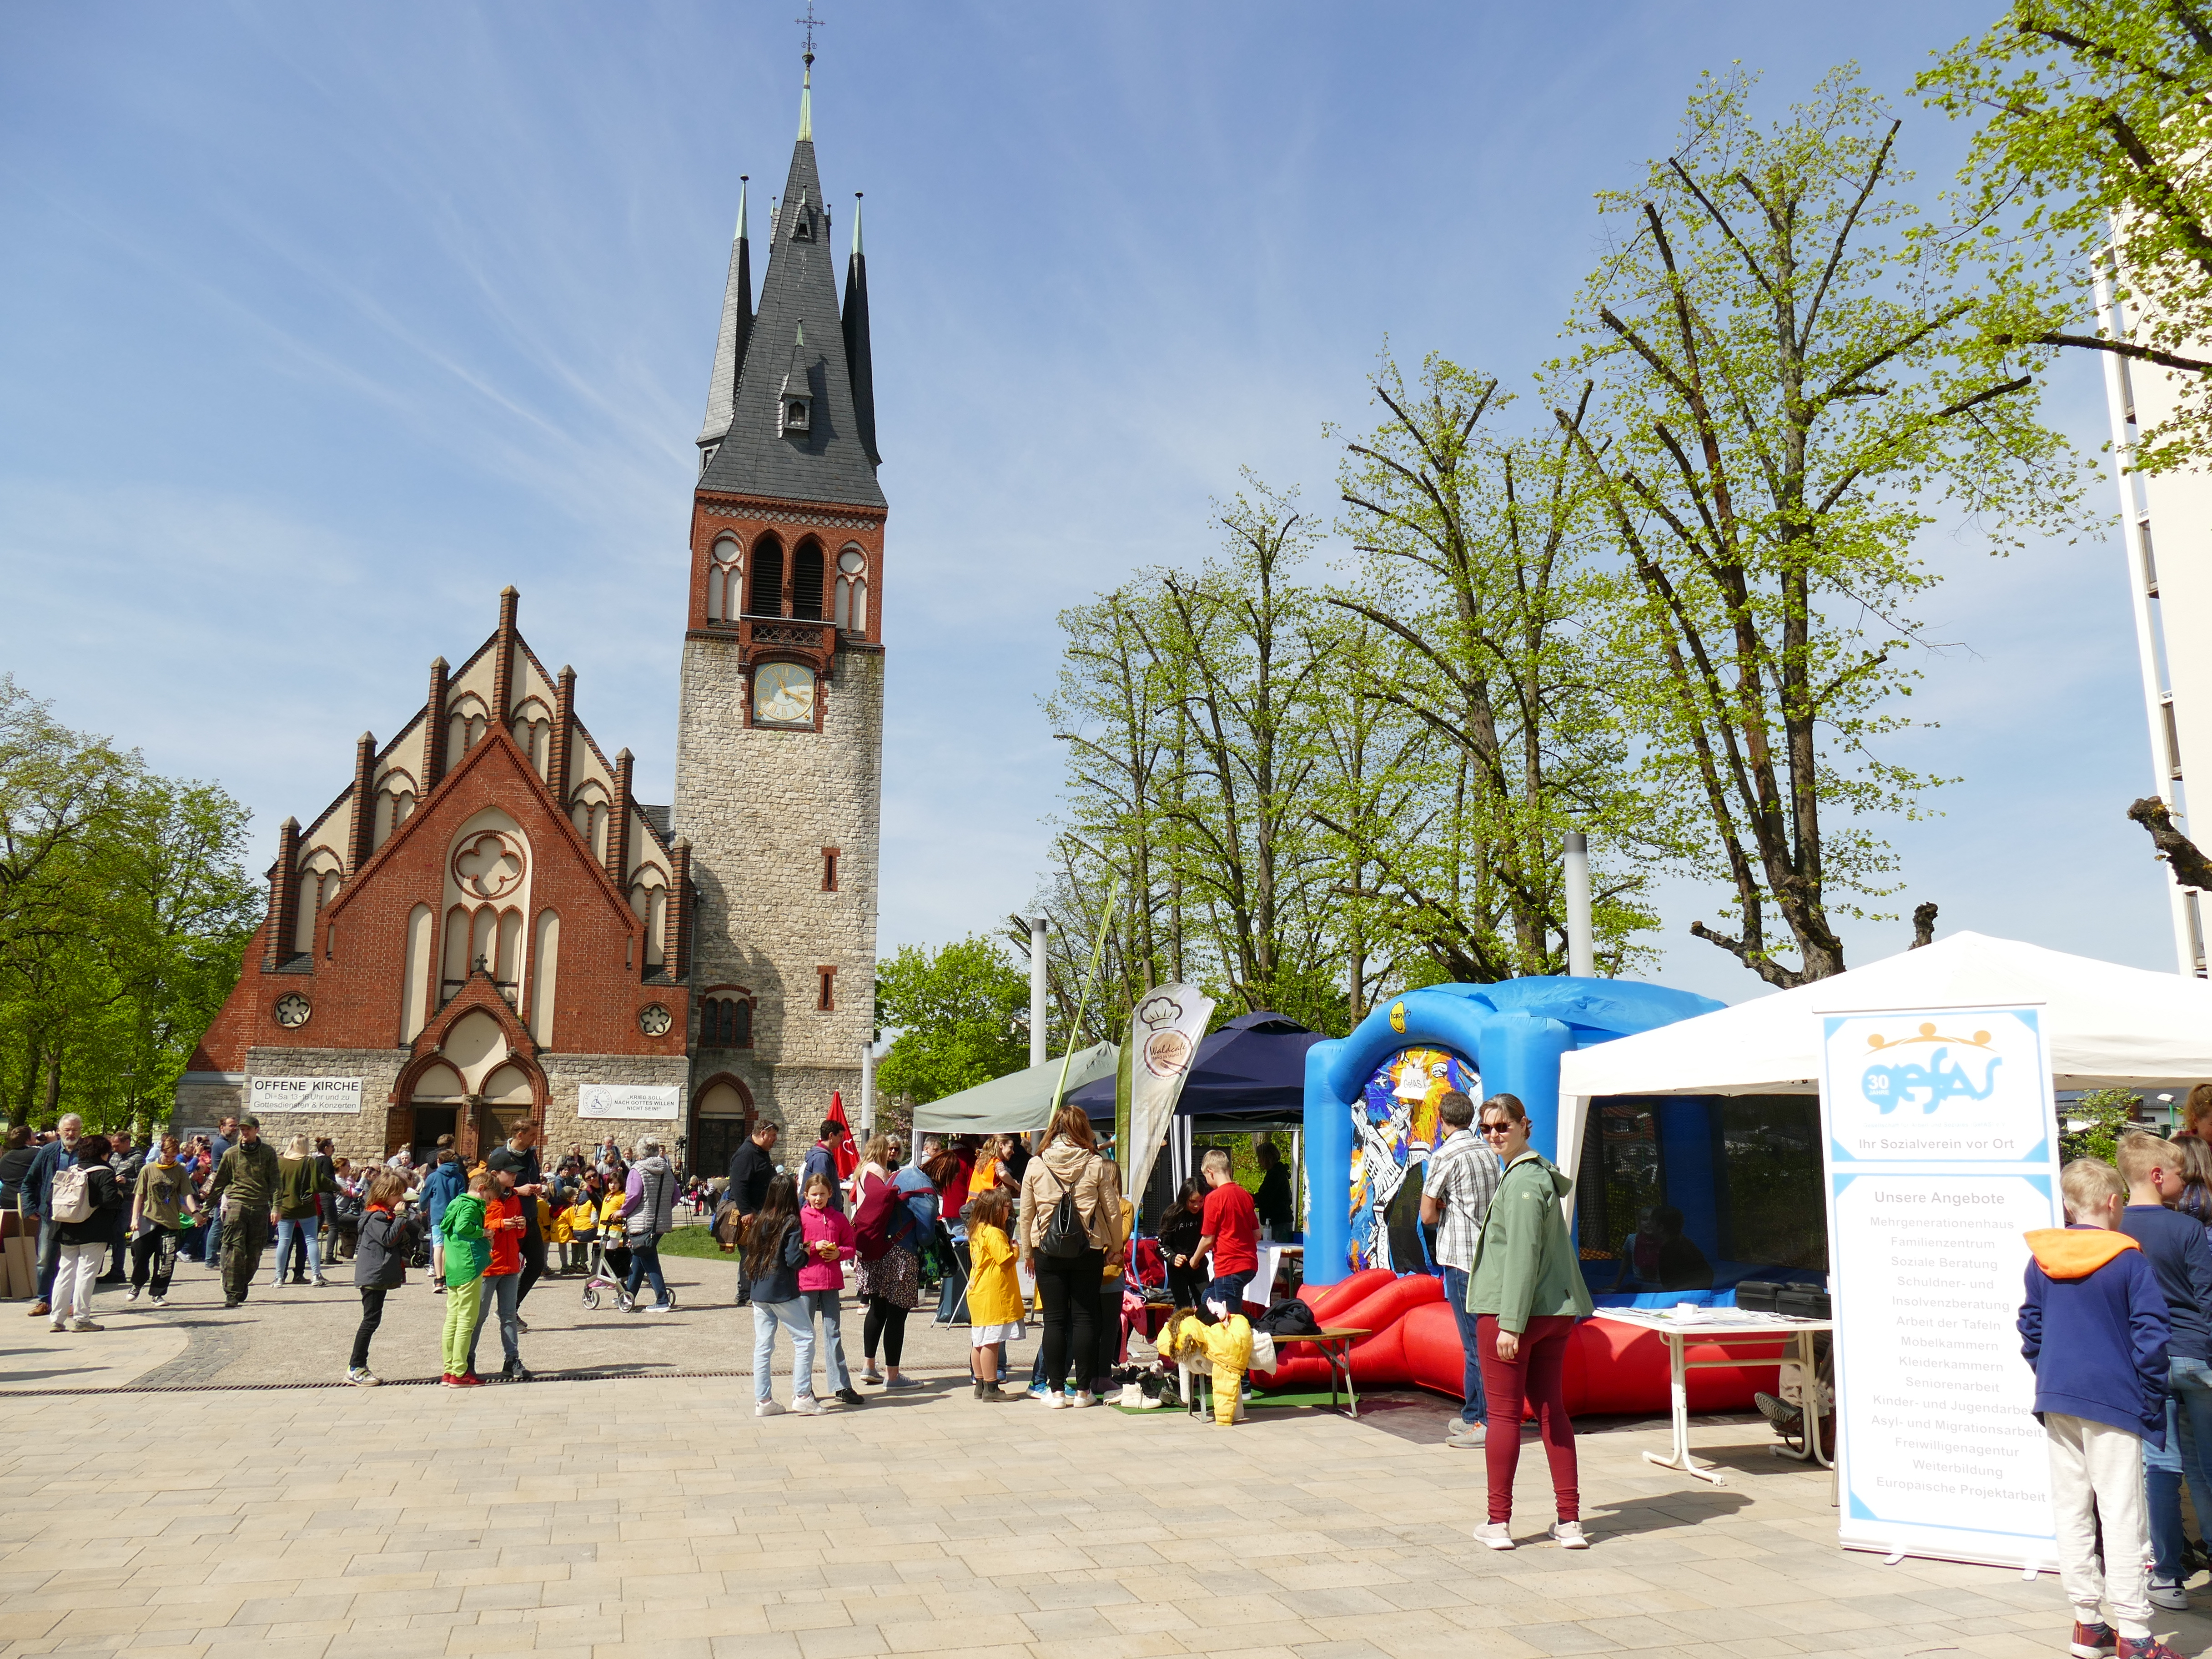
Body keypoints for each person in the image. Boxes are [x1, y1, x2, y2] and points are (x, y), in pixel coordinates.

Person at [2021, 1156, 2177, 1659]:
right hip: (2114, 1398)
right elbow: (2151, 1338)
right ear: (2114, 1203)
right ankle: (2134, 1633)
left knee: (2072, 1509)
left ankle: (2088, 1624)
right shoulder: (2130, 1261)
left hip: (2057, 1395)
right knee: (2122, 1513)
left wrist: (2048, 1375)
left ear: (2069, 1205)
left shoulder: (2041, 1258)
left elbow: (2030, 1328)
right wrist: (2149, 1395)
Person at [1465, 1091, 1594, 1552]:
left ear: (1525, 1126)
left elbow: (1522, 1257)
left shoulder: (1522, 1182)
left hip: (1513, 1314)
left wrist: (1510, 1324)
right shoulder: (1536, 1178)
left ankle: (1498, 1523)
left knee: (1502, 1416)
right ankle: (1570, 1521)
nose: (1494, 1135)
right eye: (1487, 1128)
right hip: (1551, 1314)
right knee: (1550, 1412)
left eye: (1503, 1126)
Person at [2115, 1131, 2212, 1612]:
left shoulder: (2114, 1232)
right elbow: (2207, 1299)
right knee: (2206, 1468)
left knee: (2160, 1468)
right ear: (2157, 1175)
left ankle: (2169, 1575)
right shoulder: (2188, 1230)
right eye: (2178, 1172)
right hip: (2195, 1356)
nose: (2184, 1180)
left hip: (2145, 1361)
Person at [1016, 1104, 1126, 1407]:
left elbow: (1026, 1214)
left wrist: (1028, 1251)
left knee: (1054, 1320)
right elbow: (1113, 1211)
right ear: (1083, 1129)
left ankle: (1055, 1392)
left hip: (1046, 1249)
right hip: (1087, 1248)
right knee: (1085, 1318)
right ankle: (1083, 1391)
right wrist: (1116, 1248)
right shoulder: (1095, 1164)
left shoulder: (1036, 1164)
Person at [1420, 1089, 1502, 1451]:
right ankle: (1473, 1413)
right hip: (1490, 1255)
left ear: (1442, 1119)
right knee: (1483, 1338)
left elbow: (1426, 1214)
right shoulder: (1489, 1151)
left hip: (1460, 1256)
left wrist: (1443, 1211)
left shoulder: (1445, 1155)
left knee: (1473, 1344)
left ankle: (1484, 1420)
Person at [854, 1134, 930, 1389]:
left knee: (877, 1309)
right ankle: (894, 1376)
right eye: (890, 1149)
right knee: (897, 1314)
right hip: (896, 1252)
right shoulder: (877, 1171)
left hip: (874, 1249)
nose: (892, 1153)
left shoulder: (862, 1171)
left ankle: (869, 1366)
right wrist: (894, 1191)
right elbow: (883, 1196)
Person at [744, 1173, 819, 1416]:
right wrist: (806, 1253)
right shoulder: (791, 1221)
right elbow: (794, 1259)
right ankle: (803, 1394)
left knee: (763, 1345)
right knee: (805, 1338)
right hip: (782, 1289)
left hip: (759, 1288)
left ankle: (763, 1401)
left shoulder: (761, 1219)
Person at [350, 1170, 422, 1386]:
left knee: (373, 1320)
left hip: (377, 1274)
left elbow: (400, 1239)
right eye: (398, 1195)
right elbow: (389, 1240)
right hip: (372, 1276)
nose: (401, 1200)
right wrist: (400, 1218)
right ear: (385, 1194)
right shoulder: (376, 1216)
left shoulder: (385, 1215)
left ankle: (358, 1365)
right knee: (370, 1321)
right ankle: (356, 1367)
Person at [798, 1171, 863, 1406]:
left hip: (831, 1281)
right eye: (814, 1195)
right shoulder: (801, 1218)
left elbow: (850, 1246)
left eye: (822, 1195)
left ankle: (841, 1385)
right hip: (807, 1281)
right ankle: (804, 1387)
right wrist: (814, 1246)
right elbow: (795, 1247)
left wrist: (839, 1253)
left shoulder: (838, 1218)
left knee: (833, 1333)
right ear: (806, 1195)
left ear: (830, 1195)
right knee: (806, 1336)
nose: (818, 1199)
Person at [48, 1134, 122, 1332]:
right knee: (86, 1273)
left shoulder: (70, 1169)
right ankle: (81, 1318)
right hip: (94, 1229)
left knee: (64, 1272)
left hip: (66, 1227)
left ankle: (57, 1318)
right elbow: (109, 1200)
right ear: (104, 1153)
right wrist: (120, 1195)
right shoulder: (104, 1171)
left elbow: (51, 1197)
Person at [206, 1115, 281, 1309]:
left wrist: (277, 1207)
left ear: (257, 1130)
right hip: (237, 1205)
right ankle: (232, 1292)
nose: (244, 1133)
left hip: (260, 1206)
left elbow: (275, 1182)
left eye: (248, 1129)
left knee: (254, 1253)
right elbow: (219, 1182)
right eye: (242, 1129)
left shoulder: (268, 1153)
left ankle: (242, 1284)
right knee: (233, 1250)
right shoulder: (231, 1154)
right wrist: (206, 1209)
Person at [469, 1161, 531, 1382]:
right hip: (490, 1265)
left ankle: (512, 1359)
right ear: (496, 1174)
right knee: (479, 1316)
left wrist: (522, 1224)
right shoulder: (485, 1199)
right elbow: (475, 1227)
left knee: (508, 1316)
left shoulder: (515, 1198)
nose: (515, 1177)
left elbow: (520, 1235)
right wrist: (499, 1225)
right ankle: (468, 1360)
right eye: (510, 1173)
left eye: (516, 1173)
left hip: (510, 1264)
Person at [22, 1114, 86, 1316]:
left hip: (79, 1215)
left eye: (75, 1130)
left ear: (81, 1131)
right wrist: (30, 1207)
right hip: (51, 1214)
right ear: (59, 1131)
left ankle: (69, 1303)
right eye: (67, 1130)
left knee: (73, 1262)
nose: (71, 1133)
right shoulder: (48, 1152)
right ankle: (44, 1301)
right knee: (45, 1260)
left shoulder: (87, 1152)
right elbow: (30, 1182)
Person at [437, 1170, 495, 1388]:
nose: (489, 1204)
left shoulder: (456, 1203)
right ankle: (460, 1373)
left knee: (452, 1319)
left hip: (453, 1266)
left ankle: (450, 1369)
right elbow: (464, 1227)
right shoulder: (471, 1206)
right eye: (489, 1199)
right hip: (469, 1266)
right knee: (467, 1320)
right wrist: (485, 1233)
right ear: (481, 1190)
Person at [128, 1131, 196, 1307]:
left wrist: (195, 1212)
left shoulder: (180, 1170)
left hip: (170, 1221)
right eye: (167, 1155)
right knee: (140, 1255)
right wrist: (135, 1219)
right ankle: (137, 1284)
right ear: (161, 1152)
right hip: (148, 1219)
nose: (170, 1159)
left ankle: (158, 1294)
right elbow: (139, 1195)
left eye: (174, 1156)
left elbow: (187, 1194)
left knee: (166, 1260)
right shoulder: (148, 1169)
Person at [966, 1187, 1022, 1401]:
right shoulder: (995, 1233)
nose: (1010, 1212)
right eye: (1008, 1208)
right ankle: (992, 1387)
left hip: (978, 1291)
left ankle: (980, 1383)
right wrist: (1015, 1248)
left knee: (979, 1341)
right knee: (992, 1342)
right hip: (993, 1294)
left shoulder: (977, 1230)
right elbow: (1006, 1260)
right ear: (997, 1209)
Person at [1192, 1147, 1259, 1324]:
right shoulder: (1245, 1195)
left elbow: (1208, 1239)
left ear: (1210, 1172)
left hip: (1228, 1266)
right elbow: (1257, 1234)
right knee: (1208, 1299)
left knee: (1230, 1318)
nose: (1207, 1181)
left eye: (1206, 1177)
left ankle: (1261, 1329)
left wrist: (1195, 1260)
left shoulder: (1214, 1198)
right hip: (1249, 1265)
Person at [619, 1137, 678, 1313]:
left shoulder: (637, 1170)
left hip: (641, 1222)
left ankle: (662, 1299)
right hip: (660, 1222)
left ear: (640, 1152)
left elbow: (634, 1195)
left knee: (649, 1259)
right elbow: (676, 1195)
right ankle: (628, 1296)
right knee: (640, 1256)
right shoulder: (666, 1170)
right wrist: (662, 1210)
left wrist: (622, 1212)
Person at [271, 1133, 335, 1288]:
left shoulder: (282, 1163)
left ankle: (279, 1277)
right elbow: (320, 1181)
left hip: (286, 1207)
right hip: (306, 1207)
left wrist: (275, 1206)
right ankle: (316, 1275)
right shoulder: (308, 1162)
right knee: (311, 1241)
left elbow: (276, 1187)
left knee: (284, 1242)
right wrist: (340, 1188)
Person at [727, 1121, 779, 1305]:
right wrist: (746, 1212)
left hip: (762, 1211)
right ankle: (745, 1293)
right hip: (751, 1213)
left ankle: (753, 1290)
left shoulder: (761, 1153)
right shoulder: (746, 1154)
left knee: (757, 1251)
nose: (775, 1140)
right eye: (773, 1136)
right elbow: (739, 1185)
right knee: (750, 1252)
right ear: (763, 1134)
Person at [1610, 1205, 1714, 1293]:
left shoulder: (1670, 1249)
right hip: (1693, 1288)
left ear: (1660, 1228)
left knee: (1631, 1288)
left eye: (1652, 1221)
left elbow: (1670, 1286)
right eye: (1645, 1219)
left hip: (1685, 1290)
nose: (1649, 1224)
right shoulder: (1683, 1243)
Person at [502, 1123, 550, 1310]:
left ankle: (511, 1307)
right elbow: (490, 1190)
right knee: (508, 1267)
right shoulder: (501, 1156)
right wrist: (516, 1191)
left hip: (530, 1217)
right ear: (520, 1135)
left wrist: (537, 1187)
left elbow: (533, 1179)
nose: (535, 1139)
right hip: (511, 1220)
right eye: (532, 1135)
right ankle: (503, 1309)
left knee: (537, 1264)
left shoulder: (531, 1154)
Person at [420, 1149, 467, 1295]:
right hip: (453, 1216)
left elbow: (425, 1195)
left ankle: (439, 1279)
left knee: (438, 1246)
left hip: (438, 1216)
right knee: (450, 1246)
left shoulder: (433, 1177)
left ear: (439, 1162)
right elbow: (462, 1198)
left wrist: (423, 1209)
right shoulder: (459, 1177)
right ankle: (448, 1276)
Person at [1159, 1178, 1208, 1311]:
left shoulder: (1205, 1214)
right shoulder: (1172, 1215)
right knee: (1184, 1308)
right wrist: (1173, 1257)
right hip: (1178, 1269)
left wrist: (1198, 1258)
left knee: (1206, 1304)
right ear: (1184, 1198)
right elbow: (1161, 1244)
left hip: (1198, 1265)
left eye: (1201, 1201)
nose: (1197, 1206)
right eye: (1192, 1202)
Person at [196, 1115, 236, 1266]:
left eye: (235, 1126)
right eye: (231, 1126)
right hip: (223, 1188)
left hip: (224, 1186)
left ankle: (212, 1258)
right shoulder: (222, 1144)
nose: (234, 1128)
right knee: (218, 1222)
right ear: (222, 1128)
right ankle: (211, 1259)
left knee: (219, 1222)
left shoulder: (226, 1143)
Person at [802, 1119, 848, 1212]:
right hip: (823, 1213)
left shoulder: (824, 1156)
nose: (841, 1140)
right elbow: (819, 1186)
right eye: (840, 1136)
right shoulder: (821, 1158)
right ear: (831, 1135)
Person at [1253, 1141, 1294, 1235]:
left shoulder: (1276, 1175)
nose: (1259, 1161)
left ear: (1267, 1158)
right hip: (1280, 1220)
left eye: (1260, 1158)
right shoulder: (1278, 1173)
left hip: (1279, 1222)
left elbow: (1265, 1197)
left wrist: (1247, 1198)